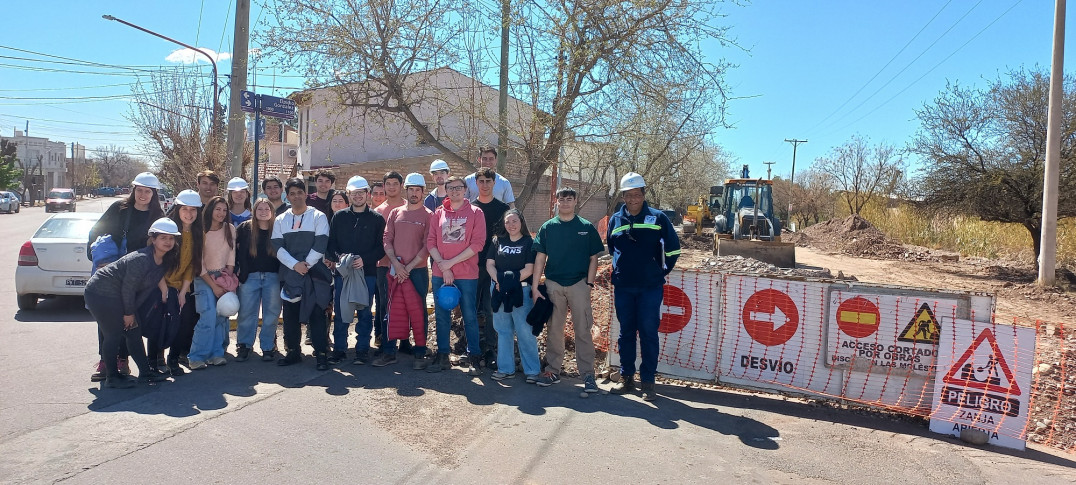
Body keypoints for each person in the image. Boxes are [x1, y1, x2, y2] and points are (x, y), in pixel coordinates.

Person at [607, 173, 680, 401]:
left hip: (650, 287)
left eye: (637, 194)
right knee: (625, 333)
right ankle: (627, 378)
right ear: (623, 196)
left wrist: (661, 271)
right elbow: (612, 249)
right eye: (628, 195)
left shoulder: (658, 218)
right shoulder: (615, 220)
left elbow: (673, 249)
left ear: (643, 194)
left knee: (649, 333)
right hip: (624, 287)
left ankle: (648, 382)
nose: (633, 199)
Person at [87, 171, 166, 382]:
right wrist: (98, 257)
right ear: (134, 190)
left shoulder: (157, 216)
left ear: (154, 193)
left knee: (130, 318)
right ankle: (108, 362)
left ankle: (122, 359)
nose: (142, 195)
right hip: (113, 273)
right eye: (139, 190)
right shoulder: (119, 209)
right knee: (108, 321)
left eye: (147, 191)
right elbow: (96, 232)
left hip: (138, 276)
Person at [85, 218, 180, 388]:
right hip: (100, 292)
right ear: (153, 239)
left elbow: (144, 290)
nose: (168, 242)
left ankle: (145, 373)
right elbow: (128, 288)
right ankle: (112, 377)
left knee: (134, 332)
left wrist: (132, 313)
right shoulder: (142, 258)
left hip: (118, 295)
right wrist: (128, 313)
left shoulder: (164, 261)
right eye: (163, 238)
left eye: (171, 238)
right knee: (113, 333)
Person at [531, 187, 604, 392]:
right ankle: (553, 370)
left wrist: (589, 284)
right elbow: (539, 258)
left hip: (579, 284)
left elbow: (594, 258)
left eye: (569, 199)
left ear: (575, 202)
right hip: (554, 284)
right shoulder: (548, 228)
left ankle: (588, 375)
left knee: (582, 330)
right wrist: (536, 287)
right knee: (554, 330)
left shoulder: (586, 227)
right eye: (561, 199)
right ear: (556, 202)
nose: (565, 203)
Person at [427, 176, 486, 375]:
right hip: (440, 274)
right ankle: (443, 355)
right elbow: (431, 243)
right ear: (446, 190)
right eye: (450, 188)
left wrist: (450, 264)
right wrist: (444, 269)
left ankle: (474, 357)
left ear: (465, 190)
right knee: (442, 316)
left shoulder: (476, 213)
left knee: (469, 315)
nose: (454, 191)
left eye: (458, 188)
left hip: (467, 274)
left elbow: (477, 244)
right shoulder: (438, 213)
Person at [273, 177, 333, 370]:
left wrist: (305, 265)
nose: (296, 196)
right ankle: (293, 353)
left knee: (316, 315)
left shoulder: (318, 216)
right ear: (287, 196)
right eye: (292, 193)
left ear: (305, 194)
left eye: (300, 192)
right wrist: (294, 265)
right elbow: (277, 247)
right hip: (290, 275)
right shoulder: (281, 219)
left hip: (314, 275)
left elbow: (321, 243)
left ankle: (321, 354)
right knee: (290, 316)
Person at [325, 176, 384, 366]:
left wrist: (363, 259)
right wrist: (340, 258)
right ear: (348, 195)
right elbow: (331, 244)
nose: (358, 196)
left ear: (367, 194)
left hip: (367, 274)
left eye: (361, 193)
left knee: (365, 312)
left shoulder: (376, 219)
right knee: (342, 312)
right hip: (343, 274)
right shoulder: (339, 217)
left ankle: (362, 350)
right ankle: (340, 350)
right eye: (354, 193)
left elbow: (381, 247)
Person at [379, 172, 432, 368]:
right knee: (392, 310)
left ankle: (419, 354)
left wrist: (407, 268)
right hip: (395, 269)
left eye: (418, 190)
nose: (414, 193)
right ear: (406, 190)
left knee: (418, 312)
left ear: (422, 192)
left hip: (416, 272)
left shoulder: (428, 215)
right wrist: (397, 264)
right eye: (411, 189)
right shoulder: (395, 213)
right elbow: (387, 239)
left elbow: (428, 246)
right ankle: (389, 351)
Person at [148, 189, 203, 376]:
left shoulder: (197, 234)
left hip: (182, 287)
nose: (189, 214)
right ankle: (155, 361)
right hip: (160, 285)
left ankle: (173, 360)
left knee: (183, 323)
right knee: (160, 324)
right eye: (185, 209)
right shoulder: (168, 230)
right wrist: (164, 289)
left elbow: (191, 265)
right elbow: (156, 264)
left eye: (193, 210)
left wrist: (183, 291)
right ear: (177, 209)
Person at [486, 209, 540, 382]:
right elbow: (490, 264)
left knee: (524, 330)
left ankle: (532, 370)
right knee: (503, 330)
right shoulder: (497, 241)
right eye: (508, 222)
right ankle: (505, 368)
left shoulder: (528, 242)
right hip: (499, 290)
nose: (511, 225)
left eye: (514, 221)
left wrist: (511, 281)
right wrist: (499, 280)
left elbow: (530, 268)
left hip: (521, 291)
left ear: (521, 222)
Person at [187, 196, 237, 370]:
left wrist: (227, 279)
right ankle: (196, 356)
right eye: (218, 209)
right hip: (204, 277)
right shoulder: (200, 230)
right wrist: (214, 285)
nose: (221, 213)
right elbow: (198, 262)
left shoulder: (229, 228)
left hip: (224, 275)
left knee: (221, 317)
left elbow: (232, 255)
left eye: (224, 210)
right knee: (208, 316)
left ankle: (217, 354)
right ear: (209, 210)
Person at [235, 198, 283, 362]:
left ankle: (268, 346)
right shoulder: (245, 228)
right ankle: (244, 345)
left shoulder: (278, 228)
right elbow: (236, 251)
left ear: (272, 212)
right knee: (247, 313)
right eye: (260, 209)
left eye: (266, 209)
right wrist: (238, 271)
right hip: (250, 277)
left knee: (271, 314)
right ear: (254, 211)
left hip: (273, 277)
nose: (263, 212)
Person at [471, 167, 509, 368]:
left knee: (491, 309)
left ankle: (490, 350)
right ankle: (473, 349)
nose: (485, 184)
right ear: (476, 183)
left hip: (494, 267)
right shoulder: (470, 208)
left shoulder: (503, 209)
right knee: (471, 310)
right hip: (472, 266)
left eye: (488, 181)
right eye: (481, 181)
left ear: (494, 183)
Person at [374, 171, 406, 354]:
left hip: (407, 266)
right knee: (384, 303)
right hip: (383, 265)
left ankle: (404, 341)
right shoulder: (378, 212)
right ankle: (384, 339)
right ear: (384, 186)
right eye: (388, 184)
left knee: (405, 303)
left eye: (395, 183)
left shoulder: (409, 207)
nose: (392, 187)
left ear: (401, 186)